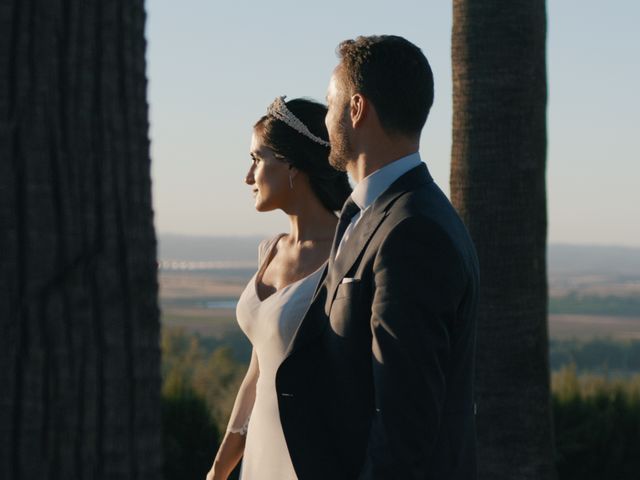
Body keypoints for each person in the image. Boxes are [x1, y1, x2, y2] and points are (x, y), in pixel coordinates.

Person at [275, 35, 480, 479]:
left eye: (331, 106)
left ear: (356, 108)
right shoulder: (374, 214)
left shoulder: (413, 231)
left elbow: (404, 421)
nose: (326, 120)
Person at [205, 97, 351, 480]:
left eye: (257, 158)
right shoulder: (268, 251)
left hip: (312, 457)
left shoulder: (347, 253)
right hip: (260, 454)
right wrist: (219, 470)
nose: (248, 177)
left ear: (291, 165)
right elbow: (257, 374)